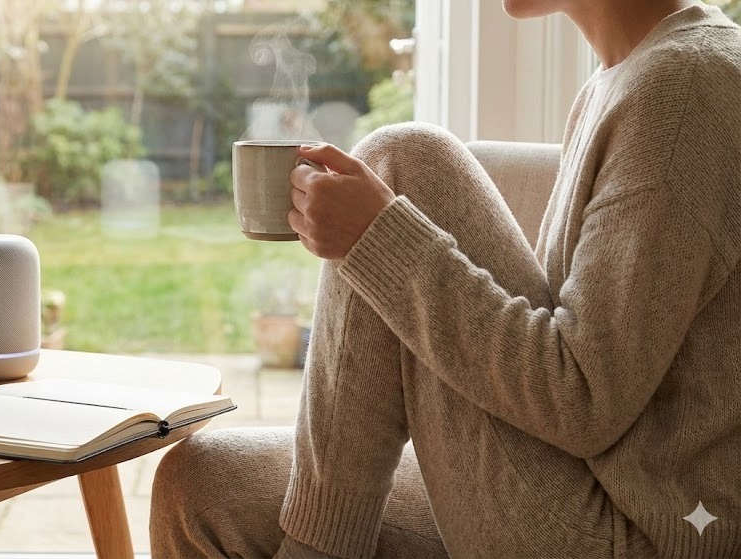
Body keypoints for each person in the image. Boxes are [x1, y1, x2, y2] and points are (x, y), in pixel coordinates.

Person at [150, 0, 741, 556]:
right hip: (593, 480)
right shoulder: (624, 78)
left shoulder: (684, 91)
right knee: (201, 482)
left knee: (406, 159)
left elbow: (581, 399)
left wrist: (379, 240)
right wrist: (376, 243)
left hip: (657, 528)